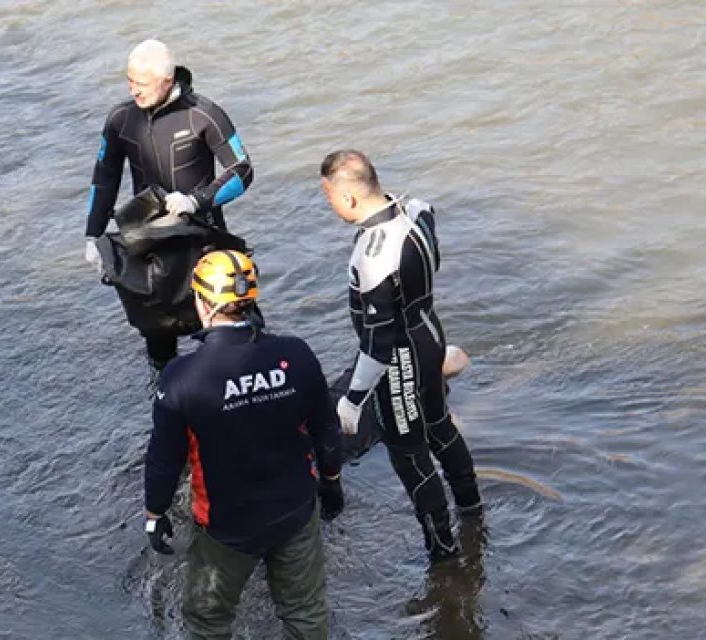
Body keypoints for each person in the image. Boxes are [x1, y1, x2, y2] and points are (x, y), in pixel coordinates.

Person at [144, 250, 344, 639]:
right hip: (295, 512)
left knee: (208, 622)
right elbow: (326, 429)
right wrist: (332, 480)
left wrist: (155, 512)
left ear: (201, 302)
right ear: (251, 299)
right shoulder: (296, 354)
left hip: (227, 526)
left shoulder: (182, 378)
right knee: (305, 616)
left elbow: (165, 459)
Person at [319, 150, 482, 562]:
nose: (330, 207)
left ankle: (443, 551)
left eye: (329, 198)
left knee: (409, 452)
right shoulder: (415, 215)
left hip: (400, 356)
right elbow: (427, 213)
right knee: (440, 424)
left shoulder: (373, 256)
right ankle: (472, 509)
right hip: (429, 331)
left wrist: (353, 401)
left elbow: (378, 342)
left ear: (349, 198)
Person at [85, 39, 255, 370]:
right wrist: (93, 235)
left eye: (142, 84)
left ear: (168, 80)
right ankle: (166, 402)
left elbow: (243, 170)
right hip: (149, 245)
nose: (134, 91)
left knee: (232, 335)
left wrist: (196, 200)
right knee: (159, 345)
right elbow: (104, 178)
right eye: (129, 81)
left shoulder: (203, 114)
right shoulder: (121, 119)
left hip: (203, 242)